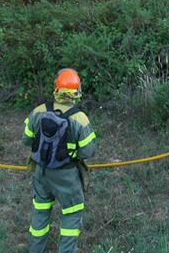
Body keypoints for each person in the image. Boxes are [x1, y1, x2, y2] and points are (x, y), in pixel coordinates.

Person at [23, 68, 97, 253]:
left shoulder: (38, 111)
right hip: (66, 176)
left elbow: (26, 140)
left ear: (56, 88)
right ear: (77, 91)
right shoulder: (80, 118)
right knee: (71, 214)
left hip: (40, 172)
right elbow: (88, 151)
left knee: (40, 212)